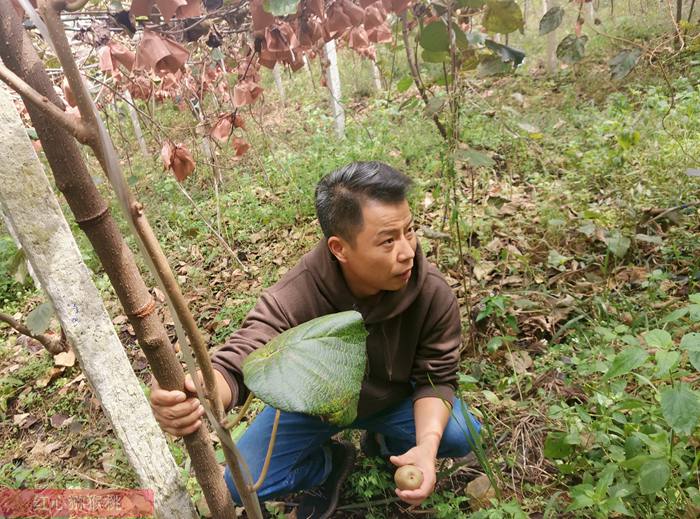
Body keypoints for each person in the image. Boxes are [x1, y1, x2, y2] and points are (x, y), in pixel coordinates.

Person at [150, 161, 481, 518]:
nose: (407, 252)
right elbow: (244, 354)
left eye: (409, 231)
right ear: (340, 249)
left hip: (393, 401)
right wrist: (200, 393)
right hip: (315, 410)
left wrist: (426, 449)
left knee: (461, 433)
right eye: (388, 241)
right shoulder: (300, 293)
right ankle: (327, 464)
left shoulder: (431, 293)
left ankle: (390, 445)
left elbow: (437, 379)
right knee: (239, 483)